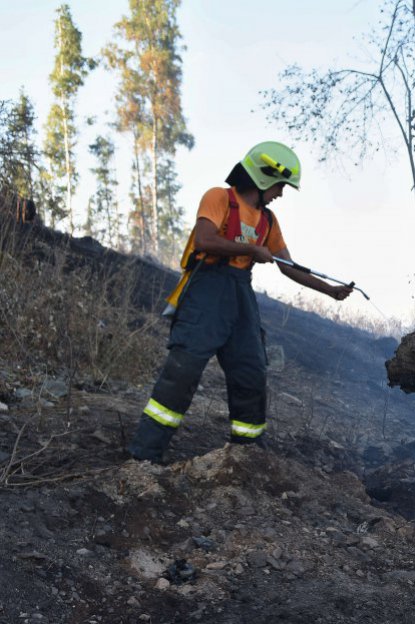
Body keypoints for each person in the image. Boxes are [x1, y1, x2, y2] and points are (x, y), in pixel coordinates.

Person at [128, 141, 352, 462]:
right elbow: (204, 239)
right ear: (263, 176)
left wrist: (330, 290)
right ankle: (144, 456)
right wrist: (250, 249)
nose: (280, 194)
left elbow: (288, 266)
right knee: (183, 371)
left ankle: (247, 456)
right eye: (280, 185)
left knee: (251, 371)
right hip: (205, 291)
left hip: (240, 296)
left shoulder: (268, 221)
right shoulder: (219, 198)